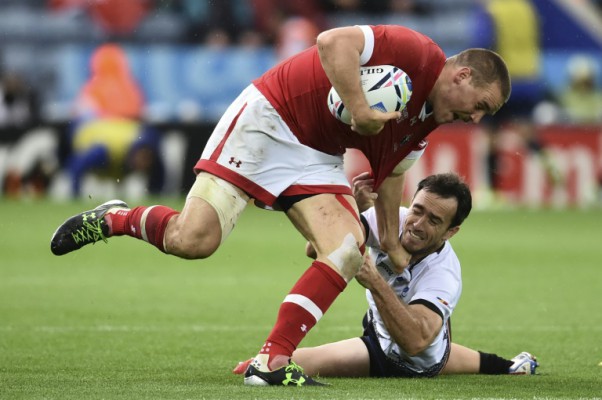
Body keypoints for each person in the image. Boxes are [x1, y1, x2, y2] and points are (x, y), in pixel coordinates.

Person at [50, 25, 510, 386]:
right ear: (464, 75)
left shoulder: (429, 119)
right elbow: (332, 43)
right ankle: (115, 217)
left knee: (349, 248)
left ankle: (273, 360)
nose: (476, 118)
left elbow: (391, 180)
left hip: (315, 156)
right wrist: (362, 110)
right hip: (271, 116)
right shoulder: (416, 53)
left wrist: (390, 241)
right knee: (192, 241)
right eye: (481, 106)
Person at [233, 172, 539, 379]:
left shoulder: (445, 274)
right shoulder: (390, 219)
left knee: (278, 366)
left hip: (408, 361)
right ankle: (513, 365)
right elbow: (314, 250)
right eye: (417, 209)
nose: (417, 224)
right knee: (265, 366)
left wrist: (375, 281)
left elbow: (414, 342)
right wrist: (352, 211)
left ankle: (511, 366)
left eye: (434, 220)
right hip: (382, 331)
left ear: (451, 232)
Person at [66, 43, 164, 198]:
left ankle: (73, 194)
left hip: (104, 143)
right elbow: (141, 114)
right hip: (120, 142)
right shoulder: (131, 88)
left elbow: (78, 116)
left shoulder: (92, 89)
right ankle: (156, 197)